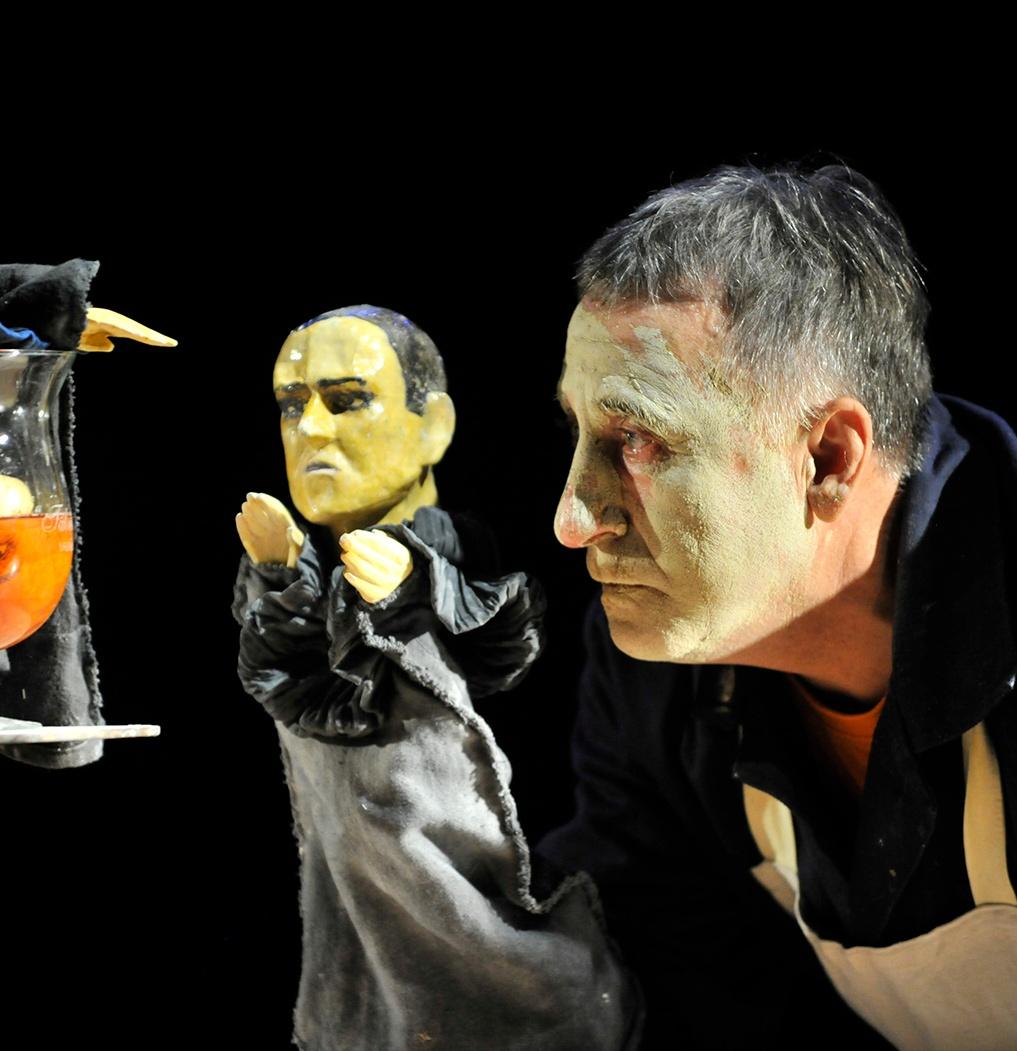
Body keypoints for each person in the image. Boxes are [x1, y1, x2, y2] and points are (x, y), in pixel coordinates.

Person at [537, 164, 1017, 1050]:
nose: (572, 520)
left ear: (828, 457)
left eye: (635, 437)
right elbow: (656, 981)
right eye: (576, 432)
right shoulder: (659, 676)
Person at [231, 306, 637, 1050]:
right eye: (291, 406)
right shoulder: (304, 561)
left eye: (347, 400)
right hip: (348, 879)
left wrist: (415, 588)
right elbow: (285, 685)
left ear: (434, 427)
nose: (311, 429)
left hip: (471, 887)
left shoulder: (456, 552)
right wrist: (281, 575)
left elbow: (504, 648)